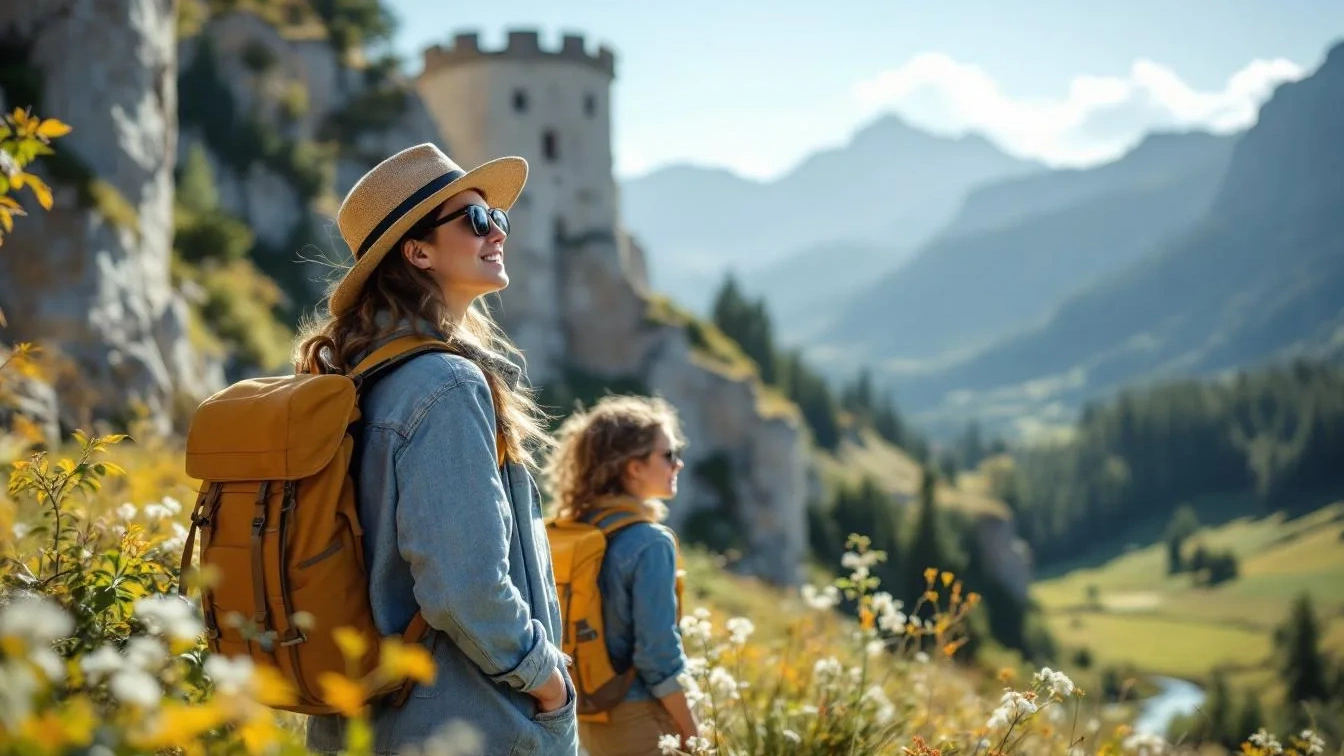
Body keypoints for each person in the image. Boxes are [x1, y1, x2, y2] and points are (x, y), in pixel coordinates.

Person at [298, 144, 578, 756]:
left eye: (497, 218)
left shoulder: (358, 379)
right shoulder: (446, 386)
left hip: (365, 720)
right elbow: (464, 586)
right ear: (418, 251)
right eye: (474, 220)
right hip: (466, 722)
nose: (496, 231)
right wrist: (545, 680)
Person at [543, 395, 699, 755]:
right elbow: (657, 656)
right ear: (634, 467)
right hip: (641, 720)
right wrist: (694, 733)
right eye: (668, 455)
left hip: (580, 718)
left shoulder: (569, 532)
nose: (678, 464)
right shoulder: (650, 542)